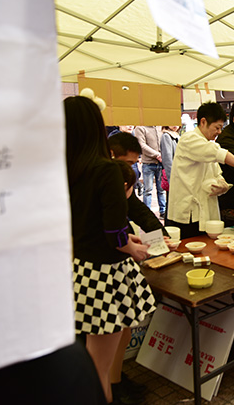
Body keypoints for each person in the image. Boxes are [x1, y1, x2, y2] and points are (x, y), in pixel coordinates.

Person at [65, 96, 156, 404]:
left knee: (96, 357)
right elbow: (115, 231)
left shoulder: (67, 169)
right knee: (98, 368)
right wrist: (133, 248)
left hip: (82, 270)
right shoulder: (105, 170)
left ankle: (116, 385)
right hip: (107, 276)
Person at [167, 102, 234, 238]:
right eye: (217, 127)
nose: (219, 132)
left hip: (203, 212)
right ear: (203, 122)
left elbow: (216, 171)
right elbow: (219, 154)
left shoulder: (207, 143)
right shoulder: (189, 139)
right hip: (187, 213)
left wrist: (222, 185)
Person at [108, 132, 172, 238]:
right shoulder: (97, 181)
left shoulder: (123, 179)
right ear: (111, 154)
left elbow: (140, 212)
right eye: (127, 163)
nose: (129, 168)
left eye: (133, 164)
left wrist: (162, 236)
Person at [134, 125, 166, 218]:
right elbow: (142, 145)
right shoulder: (140, 128)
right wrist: (157, 155)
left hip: (161, 163)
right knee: (147, 190)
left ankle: (163, 211)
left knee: (162, 190)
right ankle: (147, 213)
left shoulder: (161, 127)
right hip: (148, 164)